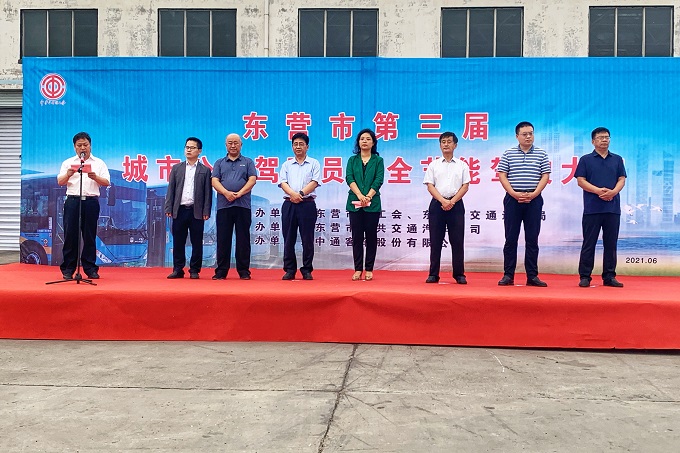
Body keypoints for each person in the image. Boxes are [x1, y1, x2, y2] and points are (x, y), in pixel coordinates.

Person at [497, 121, 551, 287]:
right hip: (513, 200)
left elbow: (545, 175)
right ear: (517, 136)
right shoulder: (508, 153)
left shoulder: (541, 154)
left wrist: (534, 194)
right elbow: (502, 175)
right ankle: (508, 275)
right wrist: (513, 193)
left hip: (534, 200)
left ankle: (532, 276)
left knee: (532, 239)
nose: (528, 137)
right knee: (510, 238)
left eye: (531, 133)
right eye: (524, 134)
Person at [576, 127, 627, 288]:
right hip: (592, 208)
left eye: (607, 137)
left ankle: (609, 276)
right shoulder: (586, 159)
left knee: (611, 244)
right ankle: (585, 276)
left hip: (612, 208)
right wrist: (598, 191)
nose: (604, 140)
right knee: (589, 243)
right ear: (593, 141)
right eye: (600, 137)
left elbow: (621, 179)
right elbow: (581, 181)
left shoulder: (617, 159)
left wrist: (613, 192)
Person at [56, 132, 110, 280]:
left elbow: (106, 182)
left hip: (91, 202)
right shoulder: (68, 163)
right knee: (70, 236)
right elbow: (60, 181)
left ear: (90, 145)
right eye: (79, 145)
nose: (82, 148)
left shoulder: (99, 163)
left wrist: (95, 177)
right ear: (74, 147)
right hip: (73, 202)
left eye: (85, 145)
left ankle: (90, 268)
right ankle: (68, 269)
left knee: (89, 236)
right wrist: (68, 174)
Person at [423, 131, 471, 284]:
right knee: (435, 241)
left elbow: (465, 186)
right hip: (437, 205)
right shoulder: (434, 165)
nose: (446, 144)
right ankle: (433, 274)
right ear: (440, 145)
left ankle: (459, 274)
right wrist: (443, 201)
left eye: (449, 142)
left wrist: (452, 201)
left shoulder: (462, 165)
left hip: (456, 205)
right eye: (443, 142)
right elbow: (430, 186)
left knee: (457, 241)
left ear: (455, 145)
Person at [164, 137, 212, 279]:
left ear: (199, 151)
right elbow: (171, 189)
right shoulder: (177, 168)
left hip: (196, 211)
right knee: (178, 241)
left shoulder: (205, 170)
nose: (189, 150)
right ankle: (178, 269)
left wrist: (206, 210)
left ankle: (194, 270)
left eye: (192, 147)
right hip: (179, 210)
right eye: (187, 147)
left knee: (197, 242)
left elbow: (208, 192)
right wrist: (168, 207)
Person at [211, 133, 257, 280]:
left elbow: (252, 180)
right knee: (223, 239)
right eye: (230, 143)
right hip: (224, 206)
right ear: (226, 145)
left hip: (243, 205)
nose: (233, 145)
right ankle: (221, 271)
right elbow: (214, 181)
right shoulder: (219, 162)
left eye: (236, 143)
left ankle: (244, 271)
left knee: (243, 239)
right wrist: (226, 193)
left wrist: (239, 193)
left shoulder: (248, 162)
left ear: (241, 145)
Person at [279, 132, 320, 280]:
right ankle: (290, 269)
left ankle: (307, 269)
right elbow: (283, 182)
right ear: (292, 147)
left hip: (307, 204)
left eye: (301, 144)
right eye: (295, 144)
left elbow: (315, 182)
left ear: (307, 147)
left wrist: (300, 194)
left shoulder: (314, 163)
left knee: (307, 239)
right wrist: (293, 194)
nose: (298, 147)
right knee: (288, 238)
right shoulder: (286, 165)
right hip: (289, 204)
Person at [346, 128, 384, 281]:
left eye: (368, 139)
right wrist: (360, 196)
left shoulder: (378, 160)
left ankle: (369, 269)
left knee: (371, 237)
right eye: (362, 139)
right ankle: (357, 269)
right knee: (356, 237)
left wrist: (368, 196)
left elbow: (379, 180)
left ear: (373, 143)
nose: (365, 141)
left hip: (372, 204)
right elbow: (349, 178)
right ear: (358, 142)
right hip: (355, 203)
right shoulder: (352, 160)